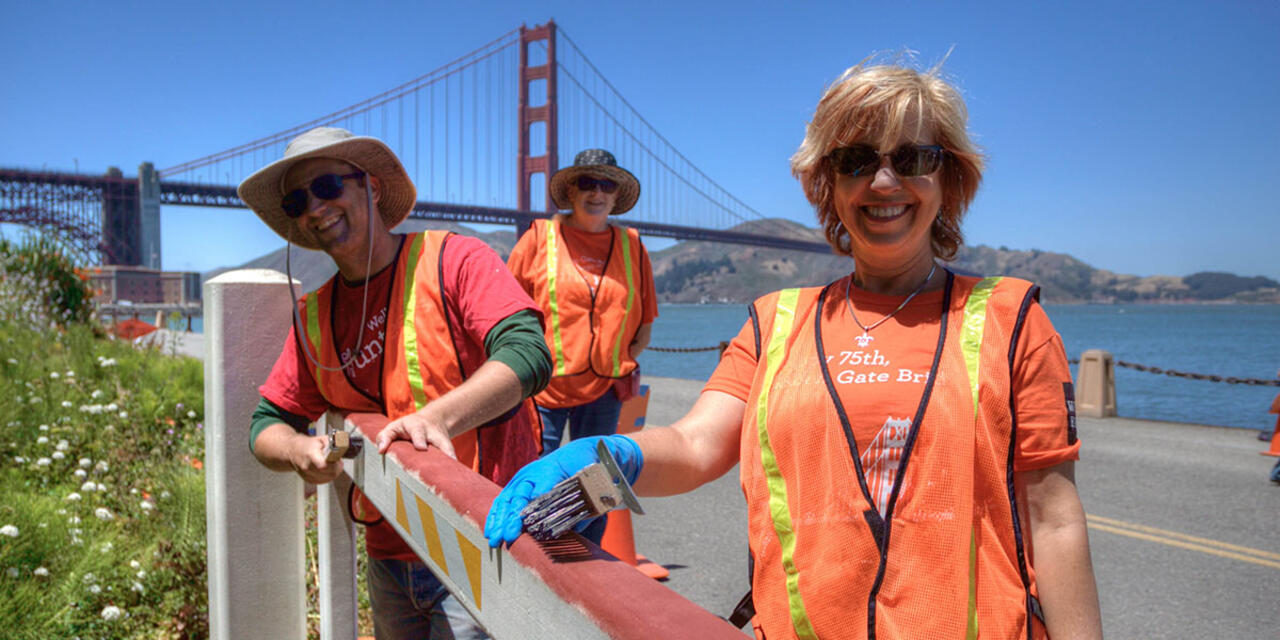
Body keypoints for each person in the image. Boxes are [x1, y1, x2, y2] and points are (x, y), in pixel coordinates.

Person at [487, 61, 1104, 639]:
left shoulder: (1011, 319)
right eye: (856, 160)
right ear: (827, 184)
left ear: (950, 179)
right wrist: (600, 461)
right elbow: (696, 447)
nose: (884, 180)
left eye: (914, 156)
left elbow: (1053, 519)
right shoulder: (775, 321)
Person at [237, 127, 550, 640]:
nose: (316, 207)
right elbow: (266, 425)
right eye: (298, 200)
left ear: (372, 187)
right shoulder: (313, 316)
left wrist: (436, 418)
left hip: (484, 541)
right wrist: (299, 449)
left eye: (329, 186)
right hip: (389, 556)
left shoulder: (454, 259)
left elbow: (528, 354)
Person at [504, 148, 658, 543]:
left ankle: (589, 563)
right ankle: (536, 565)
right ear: (571, 191)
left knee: (597, 487)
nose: (596, 192)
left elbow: (644, 321)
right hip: (544, 391)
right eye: (587, 183)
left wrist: (615, 361)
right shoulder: (539, 238)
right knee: (538, 479)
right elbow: (508, 312)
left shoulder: (633, 246)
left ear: (616, 194)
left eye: (606, 184)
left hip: (606, 390)